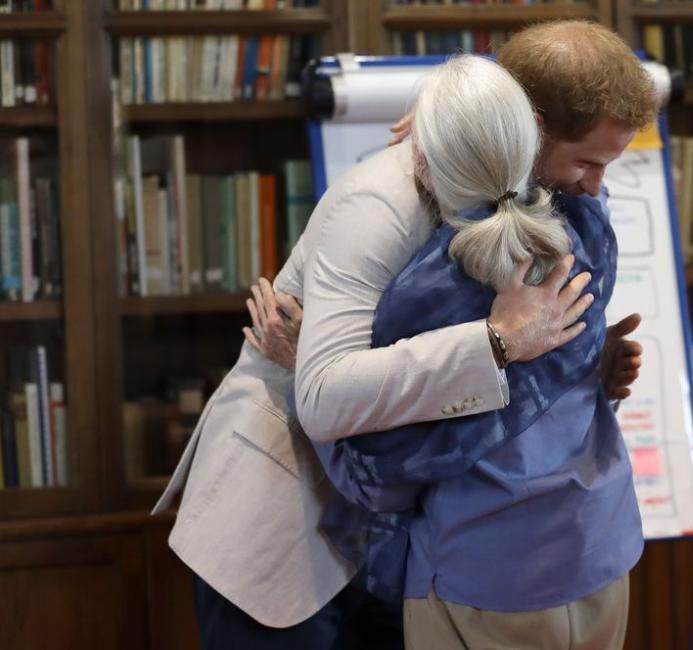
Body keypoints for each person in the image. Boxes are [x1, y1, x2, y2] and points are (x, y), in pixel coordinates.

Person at [153, 26, 645, 650]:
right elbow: (328, 396)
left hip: (407, 535)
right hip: (290, 524)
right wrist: (497, 341)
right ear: (535, 127)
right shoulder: (378, 204)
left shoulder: (531, 200)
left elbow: (545, 69)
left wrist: (582, 363)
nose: (598, 187)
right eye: (589, 162)